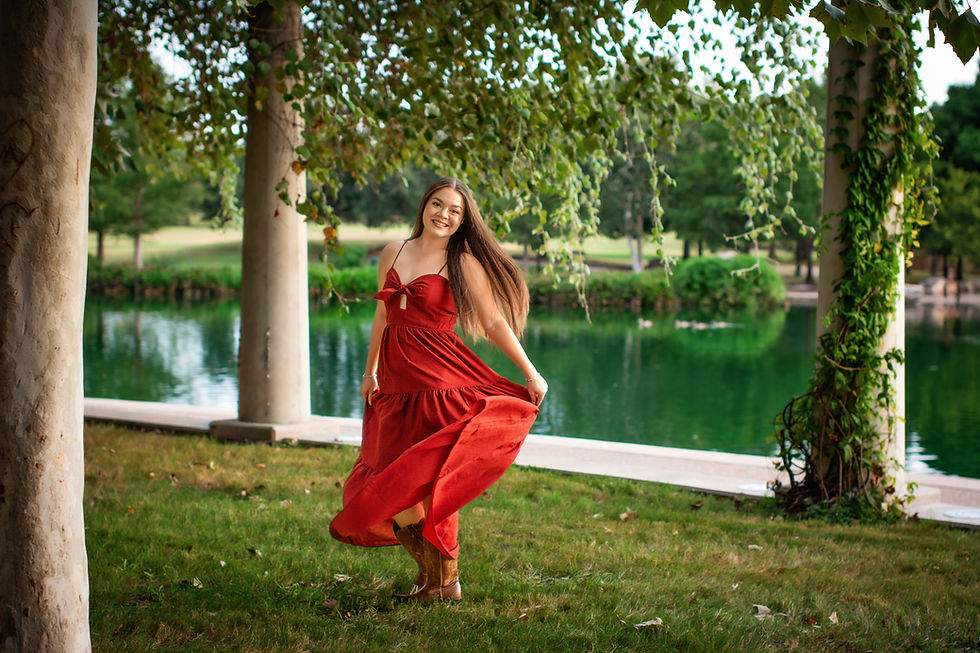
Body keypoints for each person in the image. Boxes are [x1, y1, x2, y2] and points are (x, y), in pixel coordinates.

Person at [329, 177, 547, 602]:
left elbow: (492, 323)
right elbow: (383, 316)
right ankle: (437, 578)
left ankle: (442, 581)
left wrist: (531, 372)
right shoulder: (394, 251)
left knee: (427, 484)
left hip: (439, 382)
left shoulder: (462, 263)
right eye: (437, 204)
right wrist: (369, 372)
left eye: (455, 211)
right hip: (394, 384)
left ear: (464, 220)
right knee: (390, 479)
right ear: (424, 205)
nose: (443, 215)